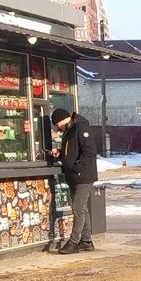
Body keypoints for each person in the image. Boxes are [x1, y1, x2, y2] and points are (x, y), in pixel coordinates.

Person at [49, 108, 98, 255]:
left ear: (60, 121)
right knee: (82, 208)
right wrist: (60, 154)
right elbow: (71, 152)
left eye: (57, 125)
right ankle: (87, 241)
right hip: (75, 175)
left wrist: (77, 168)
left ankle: (74, 241)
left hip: (83, 176)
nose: (57, 128)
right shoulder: (70, 131)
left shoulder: (80, 128)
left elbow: (90, 152)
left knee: (77, 208)